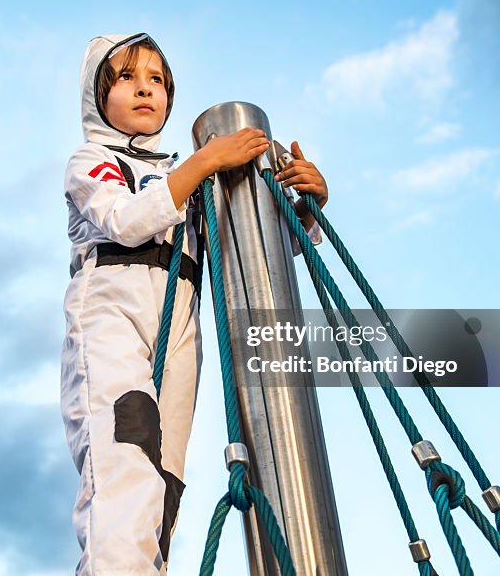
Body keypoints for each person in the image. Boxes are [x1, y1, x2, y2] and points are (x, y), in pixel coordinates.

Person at [60, 32, 328, 575]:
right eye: (127, 78)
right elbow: (128, 221)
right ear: (97, 96)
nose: (145, 89)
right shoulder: (93, 160)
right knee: (125, 466)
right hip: (112, 311)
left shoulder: (187, 177)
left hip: (179, 324)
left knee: (164, 488)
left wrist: (307, 206)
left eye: (157, 80)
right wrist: (206, 162)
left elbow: (247, 251)